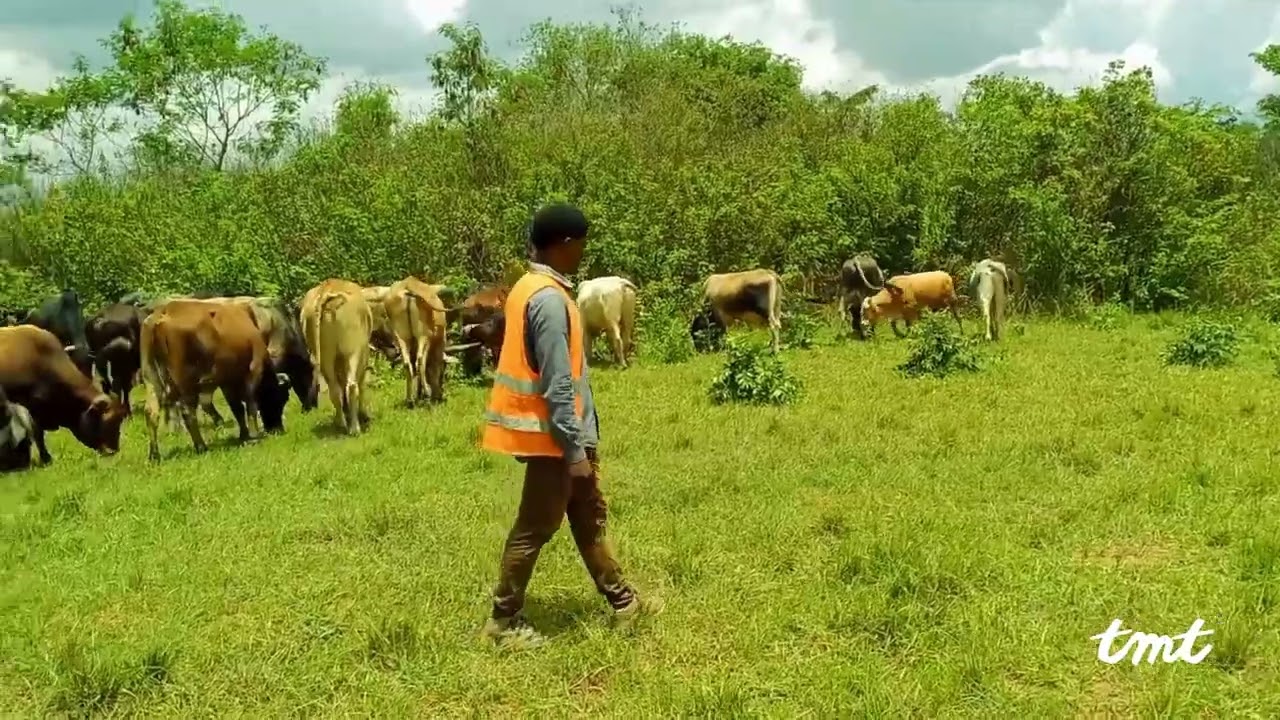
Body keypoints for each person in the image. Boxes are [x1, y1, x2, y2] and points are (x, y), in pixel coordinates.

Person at [479, 203, 660, 648]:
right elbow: (559, 385)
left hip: (558, 437)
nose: (583, 252)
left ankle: (624, 602)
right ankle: (503, 623)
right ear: (564, 245)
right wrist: (575, 451)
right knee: (534, 527)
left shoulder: (527, 287)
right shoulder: (549, 301)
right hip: (556, 441)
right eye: (580, 244)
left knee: (586, 515)